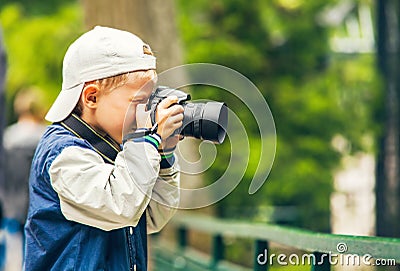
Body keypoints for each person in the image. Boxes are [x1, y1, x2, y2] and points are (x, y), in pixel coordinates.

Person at [24, 26, 184, 271]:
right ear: (91, 98)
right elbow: (121, 206)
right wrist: (147, 141)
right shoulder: (63, 154)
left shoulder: (117, 147)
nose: (147, 111)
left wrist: (162, 155)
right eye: (139, 102)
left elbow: (151, 217)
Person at [1, 87, 46, 271]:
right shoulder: (45, 137)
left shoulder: (8, 137)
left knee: (13, 255)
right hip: (37, 203)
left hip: (11, 204)